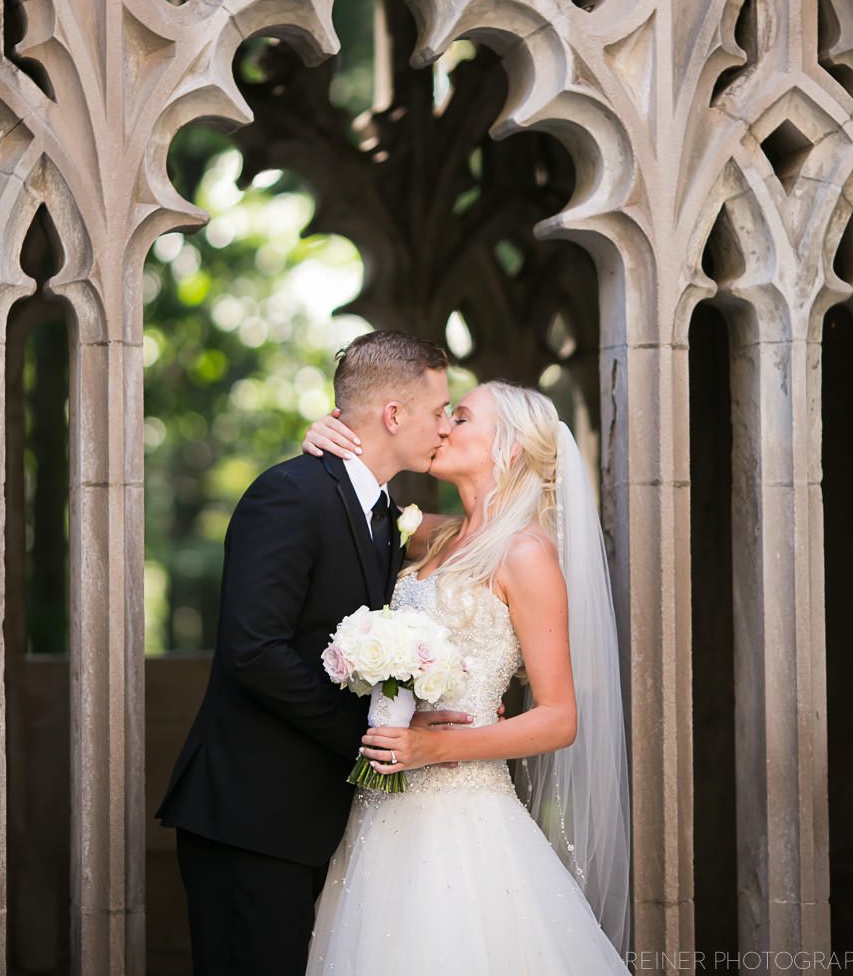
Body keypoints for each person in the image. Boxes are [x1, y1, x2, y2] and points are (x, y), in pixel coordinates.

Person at [156, 330, 477, 976]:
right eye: (440, 409)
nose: (446, 425)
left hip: (308, 822)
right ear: (393, 415)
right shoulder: (289, 496)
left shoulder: (383, 517)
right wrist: (369, 735)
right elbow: (254, 652)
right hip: (248, 818)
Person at [300, 379, 632, 975]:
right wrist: (329, 438)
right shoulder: (434, 533)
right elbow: (357, 495)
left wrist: (433, 745)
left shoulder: (526, 554)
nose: (443, 426)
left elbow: (558, 719)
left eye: (461, 416)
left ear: (507, 448)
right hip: (377, 811)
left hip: (461, 813)